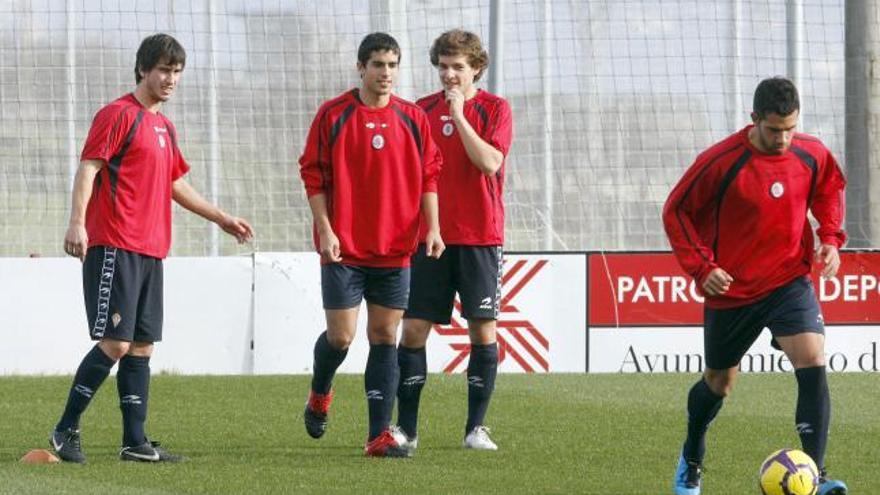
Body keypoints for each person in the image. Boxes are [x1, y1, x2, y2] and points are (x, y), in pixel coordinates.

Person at [50, 33, 254, 464]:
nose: (170, 79)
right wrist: (76, 223)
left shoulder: (164, 126)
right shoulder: (117, 115)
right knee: (116, 343)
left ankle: (134, 443)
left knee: (141, 346)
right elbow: (89, 167)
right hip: (115, 244)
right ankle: (64, 429)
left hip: (151, 249)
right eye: (164, 69)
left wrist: (221, 218)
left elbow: (175, 183)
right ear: (143, 69)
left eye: (177, 71)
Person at [662, 77, 847, 495]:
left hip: (788, 280)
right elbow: (676, 212)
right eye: (774, 130)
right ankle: (692, 456)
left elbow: (830, 190)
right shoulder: (721, 161)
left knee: (813, 356)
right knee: (719, 384)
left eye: (790, 128)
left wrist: (831, 238)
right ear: (754, 119)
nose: (783, 138)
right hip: (732, 291)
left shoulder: (811, 153)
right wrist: (701, 268)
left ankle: (814, 475)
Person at [298, 32, 443, 458]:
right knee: (341, 338)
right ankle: (320, 391)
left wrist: (432, 229)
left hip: (396, 248)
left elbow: (429, 177)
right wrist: (325, 228)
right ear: (361, 67)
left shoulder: (414, 118)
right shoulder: (333, 114)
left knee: (384, 337)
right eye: (378, 64)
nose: (386, 73)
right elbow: (314, 176)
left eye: (393, 65)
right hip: (344, 249)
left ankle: (378, 434)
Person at [393, 29, 513, 452]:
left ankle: (475, 429)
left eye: (458, 67)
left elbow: (489, 162)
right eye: (443, 66)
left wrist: (460, 115)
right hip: (429, 238)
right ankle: (406, 429)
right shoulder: (419, 111)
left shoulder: (496, 109)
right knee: (413, 331)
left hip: (481, 237)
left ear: (476, 68)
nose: (449, 74)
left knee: (483, 332)